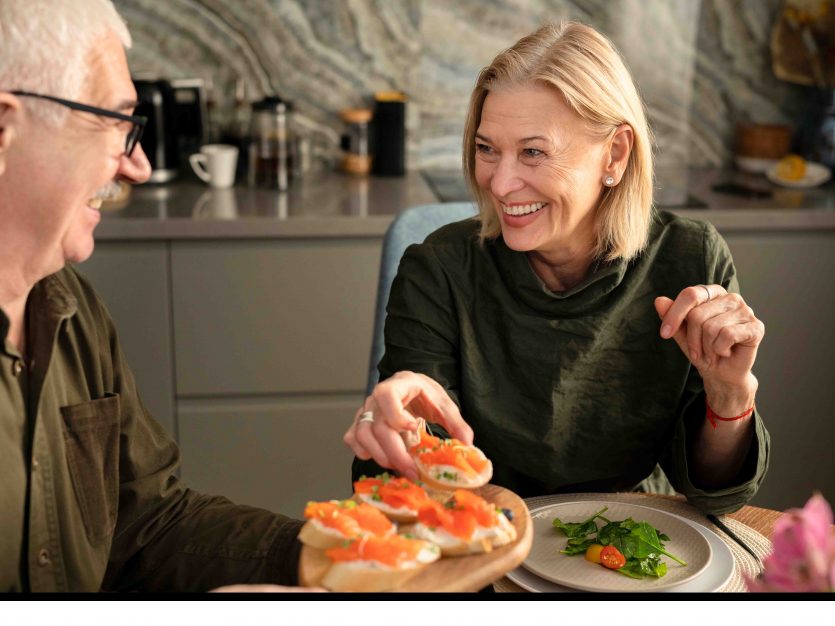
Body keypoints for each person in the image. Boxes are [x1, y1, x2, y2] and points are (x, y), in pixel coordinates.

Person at [346, 22, 770, 516]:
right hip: (488, 535)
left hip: (635, 539)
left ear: (614, 154)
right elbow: (411, 485)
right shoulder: (437, 269)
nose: (501, 184)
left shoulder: (692, 259)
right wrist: (399, 429)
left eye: (533, 152)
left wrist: (729, 394)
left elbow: (714, 492)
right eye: (487, 149)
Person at [0, 0, 312, 592]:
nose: (137, 166)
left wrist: (340, 555)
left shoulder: (71, 309)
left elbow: (144, 524)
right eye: (117, 124)